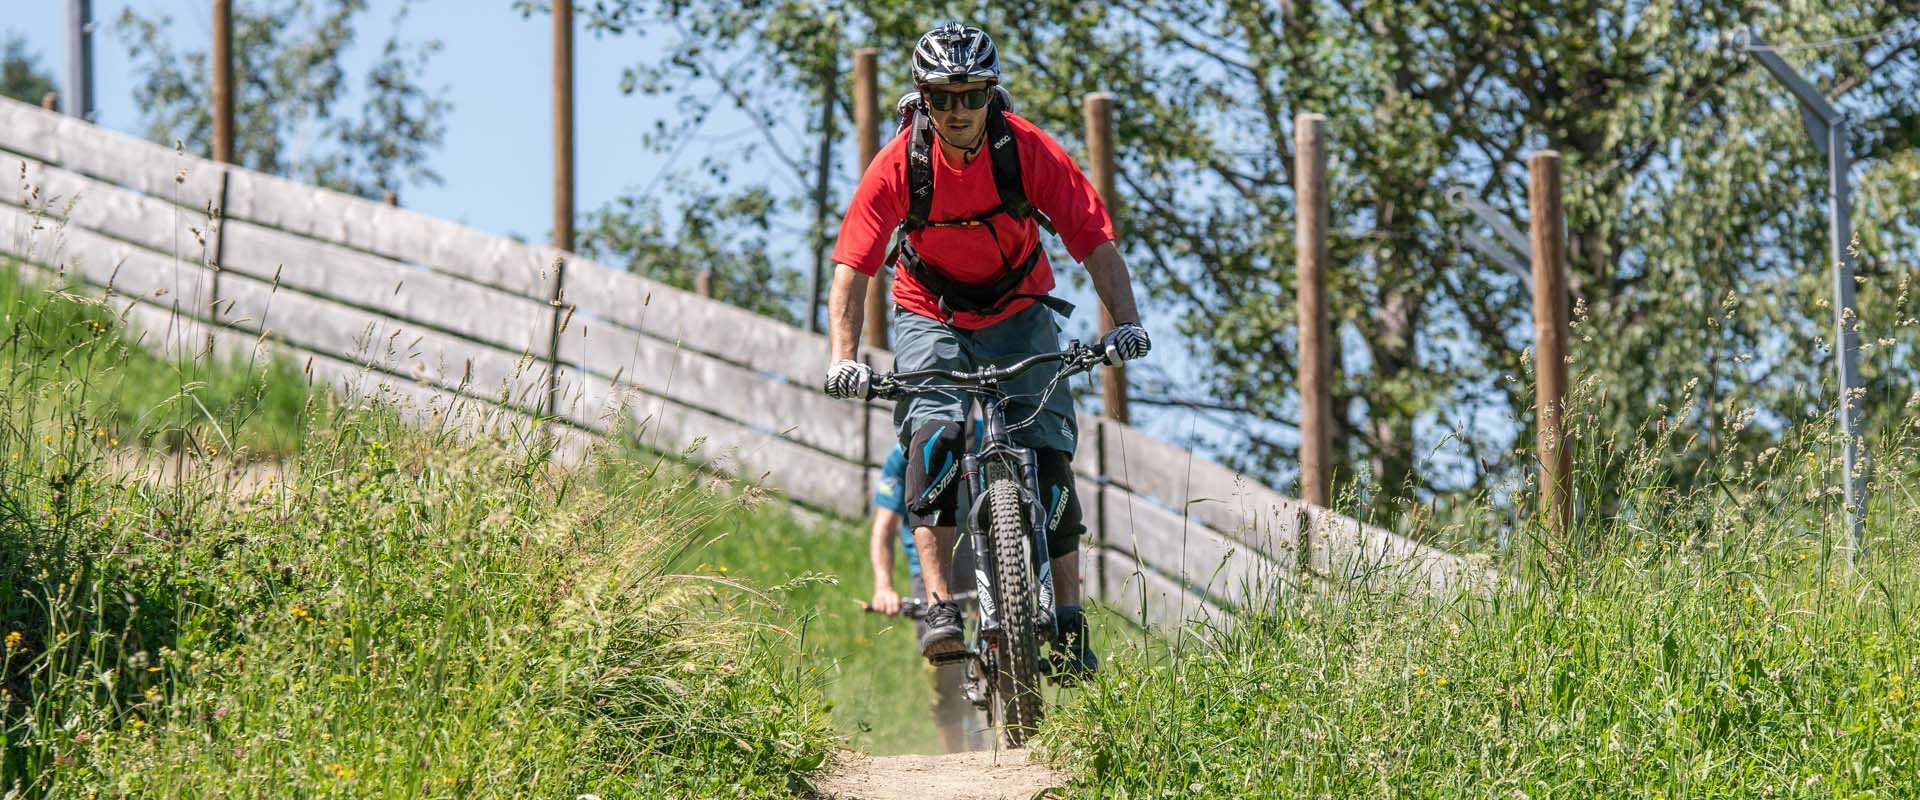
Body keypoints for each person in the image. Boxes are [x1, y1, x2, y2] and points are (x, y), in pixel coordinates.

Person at [823, 23, 1150, 682]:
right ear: (924, 99)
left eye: (971, 97)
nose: (958, 112)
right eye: (944, 98)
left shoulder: (1027, 151)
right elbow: (852, 269)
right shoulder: (898, 165)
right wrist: (843, 356)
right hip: (929, 309)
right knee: (933, 434)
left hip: (1020, 306)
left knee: (1052, 450)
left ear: (989, 96)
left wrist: (1127, 323)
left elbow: (1095, 241)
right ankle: (942, 606)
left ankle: (1066, 621)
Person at [869, 443, 989, 752]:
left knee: (1003, 647)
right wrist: (884, 587)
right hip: (928, 570)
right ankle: (953, 763)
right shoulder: (901, 459)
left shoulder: (988, 440)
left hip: (982, 562)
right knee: (944, 667)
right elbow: (883, 529)